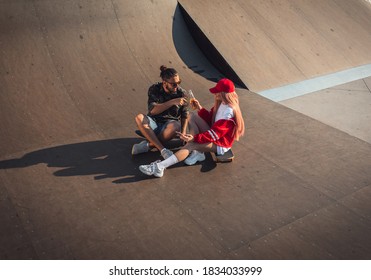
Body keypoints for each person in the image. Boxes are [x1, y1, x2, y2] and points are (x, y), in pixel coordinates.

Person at [139, 78, 245, 177]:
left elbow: (215, 134)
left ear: (224, 94)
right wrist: (200, 108)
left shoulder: (228, 113)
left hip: (220, 144)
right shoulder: (222, 103)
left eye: (217, 92)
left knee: (191, 145)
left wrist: (194, 139)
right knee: (192, 115)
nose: (215, 94)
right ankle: (198, 152)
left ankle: (159, 167)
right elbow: (211, 119)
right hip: (215, 135)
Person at [132, 65, 189, 159]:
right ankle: (163, 150)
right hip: (154, 123)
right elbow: (153, 111)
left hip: (169, 126)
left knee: (176, 125)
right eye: (173, 84)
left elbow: (185, 114)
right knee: (139, 117)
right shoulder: (155, 89)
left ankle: (149, 145)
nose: (176, 86)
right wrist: (172, 102)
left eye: (178, 82)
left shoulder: (181, 93)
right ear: (164, 82)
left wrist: (183, 133)